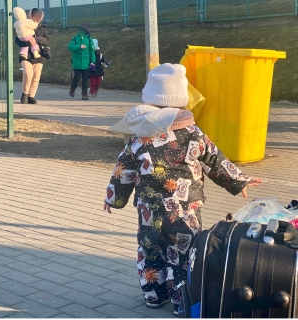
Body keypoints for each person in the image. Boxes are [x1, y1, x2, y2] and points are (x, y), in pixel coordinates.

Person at [102, 63, 262, 315]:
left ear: (150, 101)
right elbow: (214, 160)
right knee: (184, 256)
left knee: (150, 251)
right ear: (181, 101)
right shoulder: (193, 133)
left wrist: (113, 197)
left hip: (150, 213)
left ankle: (154, 296)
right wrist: (239, 180)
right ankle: (180, 301)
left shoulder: (139, 135)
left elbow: (124, 168)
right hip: (186, 213)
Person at [15, 8, 49, 105]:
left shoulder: (43, 27)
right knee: (28, 74)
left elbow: (47, 40)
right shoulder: (22, 23)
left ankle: (31, 96)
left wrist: (36, 40)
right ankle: (24, 95)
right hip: (25, 55)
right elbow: (17, 39)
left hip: (38, 55)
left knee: (36, 77)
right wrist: (26, 42)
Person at [68, 23, 96, 101]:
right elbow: (70, 47)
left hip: (86, 63)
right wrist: (79, 47)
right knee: (76, 77)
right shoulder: (75, 38)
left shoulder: (89, 40)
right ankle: (73, 87)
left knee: (85, 79)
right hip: (77, 63)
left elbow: (92, 51)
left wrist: (93, 61)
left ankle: (84, 94)